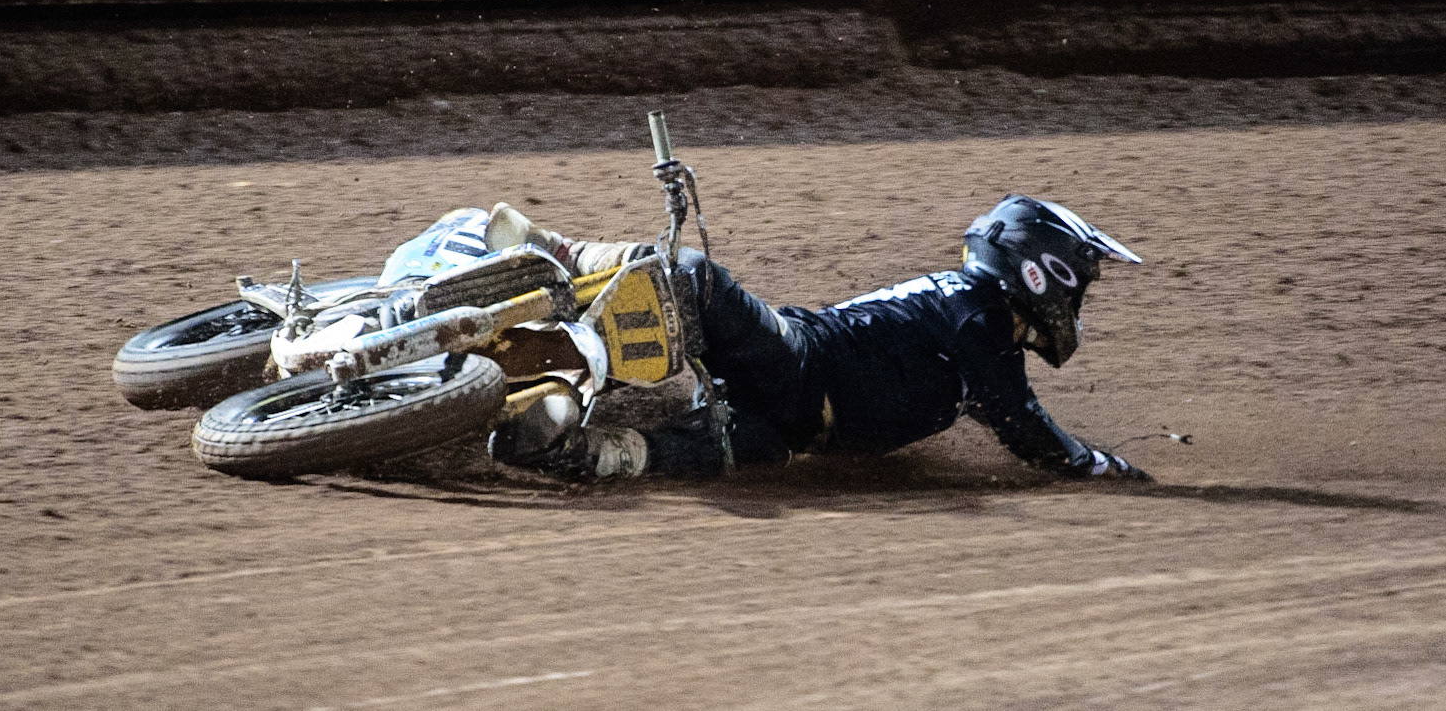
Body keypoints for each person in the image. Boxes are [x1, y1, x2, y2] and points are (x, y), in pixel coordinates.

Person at [483, 194, 1151, 482]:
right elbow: (1030, 432)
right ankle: (562, 256)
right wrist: (1110, 466)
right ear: (1042, 270)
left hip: (793, 413)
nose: (1076, 302)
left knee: (745, 446)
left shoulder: (975, 328)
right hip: (797, 364)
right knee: (694, 279)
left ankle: (572, 442)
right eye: (1079, 283)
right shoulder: (979, 319)